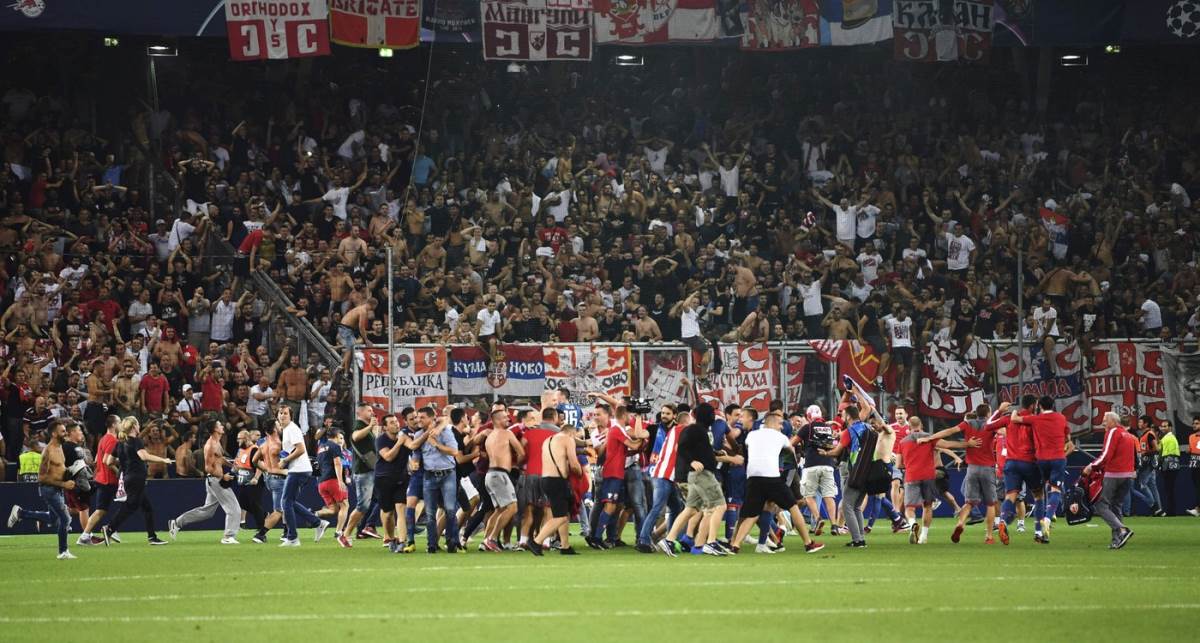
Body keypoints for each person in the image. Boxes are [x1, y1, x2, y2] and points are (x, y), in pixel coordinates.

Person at [731, 409, 824, 554]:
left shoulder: (751, 435)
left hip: (753, 478)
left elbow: (750, 449)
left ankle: (735, 545)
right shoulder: (781, 437)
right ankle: (808, 543)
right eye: (780, 424)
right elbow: (790, 451)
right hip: (772, 478)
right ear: (773, 423)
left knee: (752, 514)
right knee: (793, 507)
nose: (781, 427)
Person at [897, 416, 977, 544]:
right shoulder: (930, 438)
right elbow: (949, 444)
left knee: (909, 508)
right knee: (927, 506)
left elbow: (898, 464)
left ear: (909, 426)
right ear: (921, 425)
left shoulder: (902, 442)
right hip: (928, 476)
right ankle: (923, 536)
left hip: (911, 476)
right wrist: (968, 444)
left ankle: (912, 524)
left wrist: (909, 464)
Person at [6, 420, 77, 559]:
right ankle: (63, 551)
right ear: (54, 434)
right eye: (63, 431)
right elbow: (42, 477)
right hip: (49, 490)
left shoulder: (60, 447)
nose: (66, 433)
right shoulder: (48, 452)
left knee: (52, 518)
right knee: (66, 518)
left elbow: (59, 469)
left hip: (57, 489)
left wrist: (70, 473)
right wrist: (64, 484)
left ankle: (21, 513)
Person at [1008, 395, 1074, 542]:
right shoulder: (1061, 418)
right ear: (1053, 405)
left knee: (1039, 493)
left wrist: (1014, 411)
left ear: (1040, 406)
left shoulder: (1036, 419)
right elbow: (1068, 439)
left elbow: (1014, 419)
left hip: (1041, 460)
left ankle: (1039, 529)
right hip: (1058, 458)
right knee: (1055, 490)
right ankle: (1048, 518)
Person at [168, 420, 243, 544]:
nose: (222, 426)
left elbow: (220, 458)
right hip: (216, 480)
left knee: (206, 512)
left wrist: (231, 465)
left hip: (214, 480)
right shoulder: (210, 445)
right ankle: (228, 537)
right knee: (234, 509)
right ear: (215, 429)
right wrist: (223, 476)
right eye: (220, 425)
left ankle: (176, 523)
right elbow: (207, 468)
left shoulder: (217, 442)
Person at [100, 417, 171, 546]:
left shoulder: (120, 443)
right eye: (138, 424)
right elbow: (144, 456)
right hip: (136, 478)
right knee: (130, 506)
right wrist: (163, 460)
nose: (139, 427)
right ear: (134, 426)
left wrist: (126, 459)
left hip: (128, 477)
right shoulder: (136, 441)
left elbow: (109, 461)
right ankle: (109, 529)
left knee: (147, 508)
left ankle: (152, 537)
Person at [530, 408, 582, 556]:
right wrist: (580, 474)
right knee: (561, 517)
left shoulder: (549, 440)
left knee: (562, 512)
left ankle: (565, 546)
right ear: (571, 433)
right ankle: (536, 541)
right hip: (557, 480)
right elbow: (574, 464)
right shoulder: (568, 439)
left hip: (546, 479)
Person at [1083, 412, 1137, 549]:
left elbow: (1106, 454)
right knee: (1116, 506)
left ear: (1113, 421)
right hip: (1127, 475)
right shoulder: (1128, 435)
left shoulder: (1113, 432)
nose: (1103, 423)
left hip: (1114, 474)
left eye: (1105, 420)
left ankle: (1122, 530)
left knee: (1101, 505)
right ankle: (1117, 540)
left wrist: (1091, 466)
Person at [277, 406, 328, 547]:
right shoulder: (287, 429)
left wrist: (285, 461)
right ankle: (317, 522)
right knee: (290, 502)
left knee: (285, 502)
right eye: (280, 413)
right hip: (300, 469)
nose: (282, 415)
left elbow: (300, 449)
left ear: (291, 416)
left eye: (285, 413)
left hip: (298, 469)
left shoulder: (291, 429)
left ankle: (292, 538)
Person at [417, 406, 463, 553]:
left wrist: (436, 444)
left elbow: (454, 451)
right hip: (429, 475)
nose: (419, 420)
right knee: (430, 513)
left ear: (432, 418)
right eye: (418, 417)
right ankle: (431, 545)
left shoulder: (446, 432)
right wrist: (414, 462)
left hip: (447, 474)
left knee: (450, 509)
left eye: (422, 417)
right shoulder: (419, 434)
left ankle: (451, 542)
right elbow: (415, 451)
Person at [483, 409, 525, 551]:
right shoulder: (507, 433)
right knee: (512, 507)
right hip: (500, 475)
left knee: (499, 510)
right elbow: (521, 452)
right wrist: (517, 465)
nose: (508, 419)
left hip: (490, 474)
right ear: (496, 420)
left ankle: (485, 541)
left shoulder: (490, 436)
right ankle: (492, 539)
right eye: (505, 417)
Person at [79, 415, 120, 545]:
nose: (121, 425)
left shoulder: (103, 439)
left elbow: (97, 460)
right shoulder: (112, 440)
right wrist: (119, 471)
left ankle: (112, 529)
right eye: (119, 422)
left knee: (126, 504)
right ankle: (85, 536)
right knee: (101, 510)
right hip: (108, 480)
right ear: (114, 425)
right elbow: (106, 461)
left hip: (102, 478)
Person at [233, 429, 270, 544]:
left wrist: (256, 478)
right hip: (243, 481)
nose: (238, 441)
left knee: (255, 504)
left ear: (246, 439)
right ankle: (264, 515)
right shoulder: (241, 450)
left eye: (239, 439)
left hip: (254, 481)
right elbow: (238, 463)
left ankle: (261, 531)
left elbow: (260, 464)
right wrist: (234, 470)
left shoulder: (254, 449)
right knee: (243, 503)